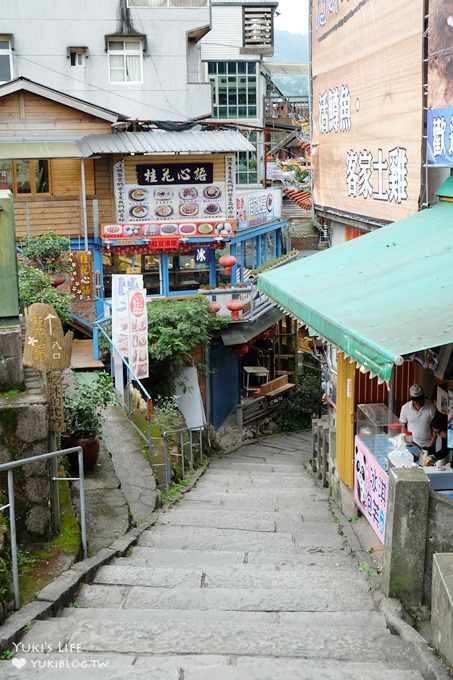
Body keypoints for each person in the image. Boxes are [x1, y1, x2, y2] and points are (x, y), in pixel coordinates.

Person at [399, 383, 436, 452]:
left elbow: (435, 426)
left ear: (423, 397)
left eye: (419, 399)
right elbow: (403, 425)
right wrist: (405, 441)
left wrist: (433, 440)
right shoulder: (405, 408)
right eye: (415, 399)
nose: (417, 401)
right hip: (412, 445)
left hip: (428, 445)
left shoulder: (431, 407)